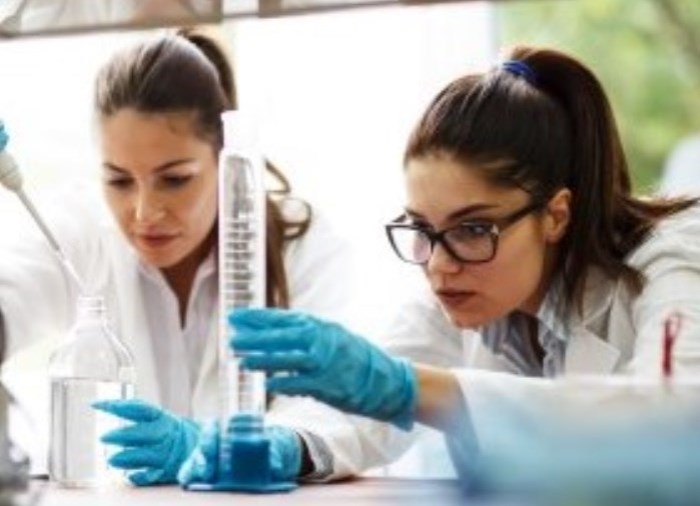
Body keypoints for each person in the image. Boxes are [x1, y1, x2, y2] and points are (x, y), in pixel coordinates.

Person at [178, 44, 700, 486]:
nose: (438, 266)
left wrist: (411, 389)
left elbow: (671, 419)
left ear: (556, 215)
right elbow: (357, 418)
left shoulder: (674, 257)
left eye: (472, 229)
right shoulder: (463, 286)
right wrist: (284, 444)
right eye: (422, 230)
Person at [0, 28, 353, 486]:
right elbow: (10, 298)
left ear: (226, 157)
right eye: (119, 181)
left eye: (174, 179)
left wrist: (272, 447)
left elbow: (340, 412)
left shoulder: (302, 246)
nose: (144, 213)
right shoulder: (82, 230)